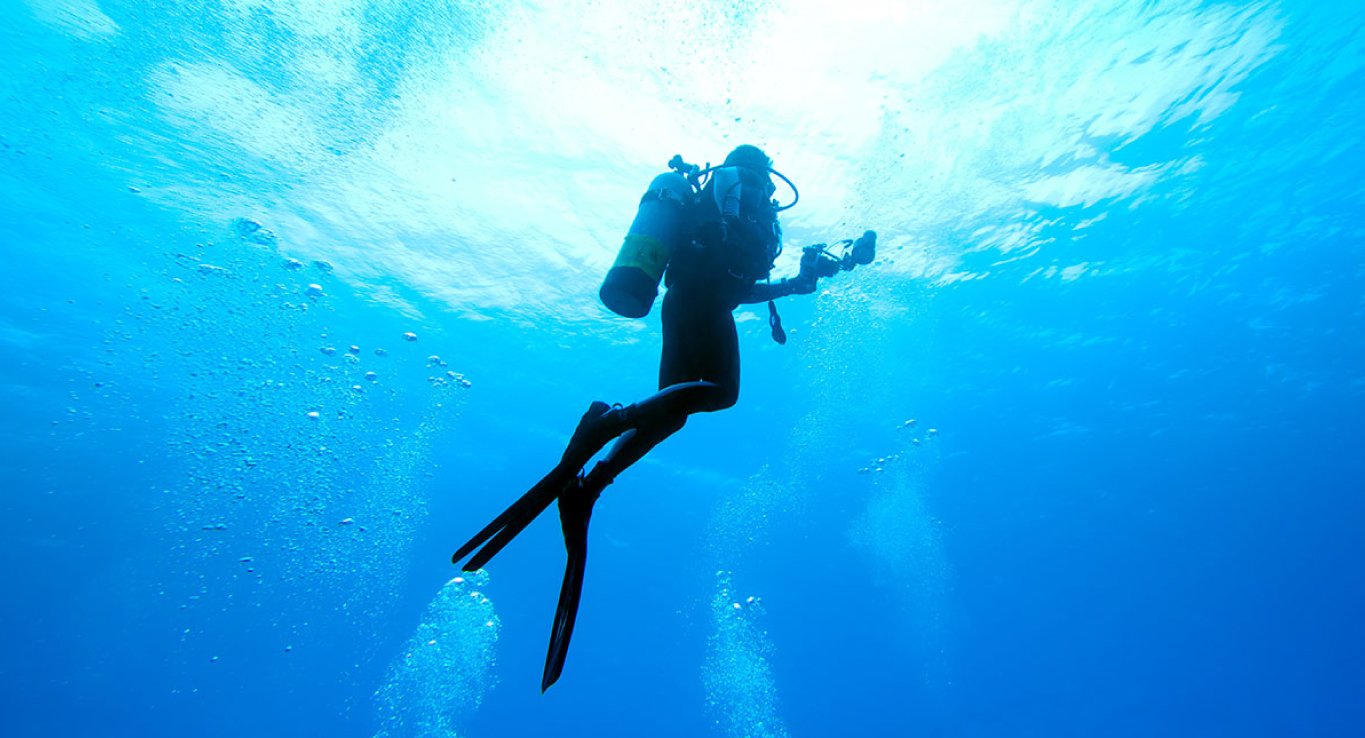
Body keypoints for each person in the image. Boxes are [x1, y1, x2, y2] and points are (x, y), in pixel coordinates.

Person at [452, 145, 872, 691]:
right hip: (701, 304)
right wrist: (778, 271)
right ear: (760, 173)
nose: (770, 192)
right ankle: (606, 426)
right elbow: (727, 282)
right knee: (720, 394)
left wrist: (794, 284)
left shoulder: (726, 209)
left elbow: (734, 283)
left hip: (689, 301)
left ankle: (591, 483)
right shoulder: (738, 201)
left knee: (672, 412)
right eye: (766, 182)